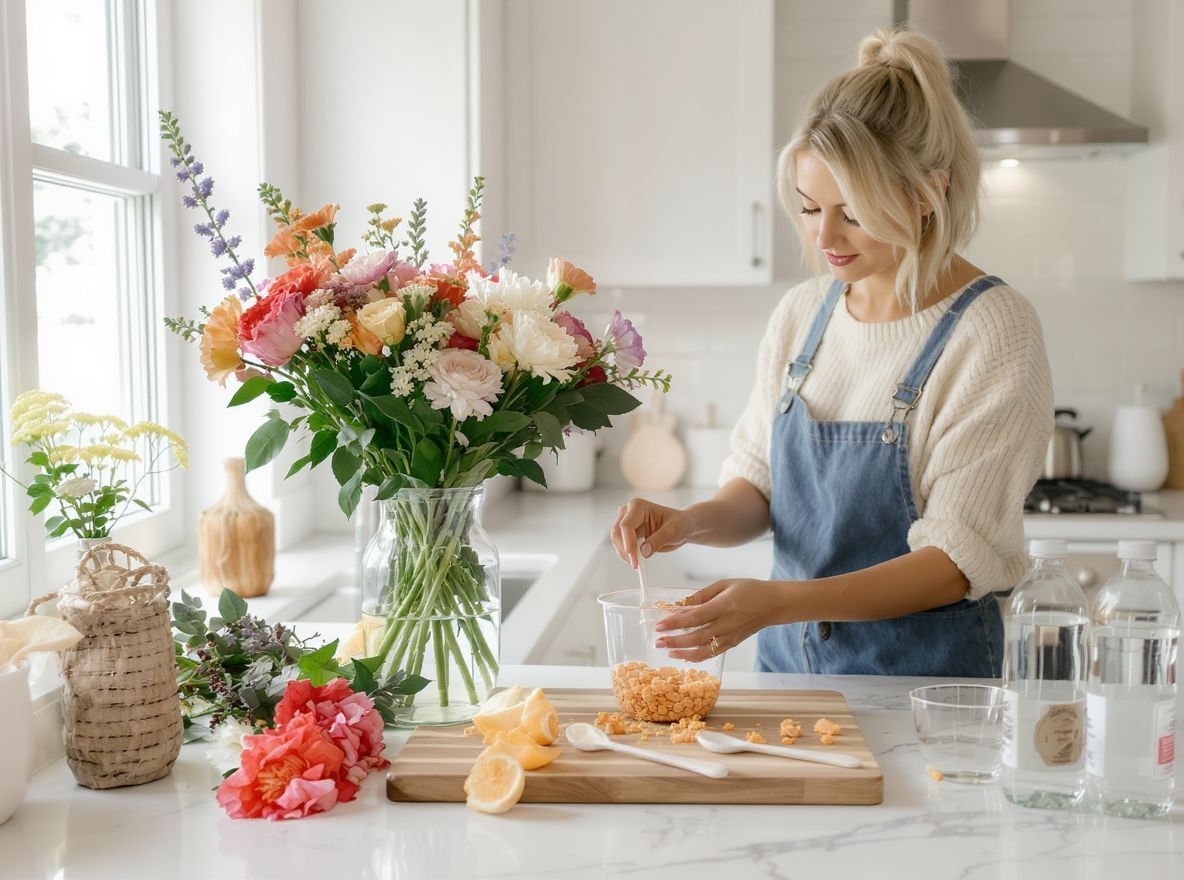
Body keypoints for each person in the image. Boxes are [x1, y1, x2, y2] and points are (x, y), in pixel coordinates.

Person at [610, 26, 1053, 677]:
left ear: (928, 195)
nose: (825, 237)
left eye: (853, 211)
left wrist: (778, 603)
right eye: (810, 207)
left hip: (925, 693)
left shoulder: (992, 330)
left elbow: (955, 562)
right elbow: (756, 487)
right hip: (789, 677)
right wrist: (689, 522)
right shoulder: (803, 314)